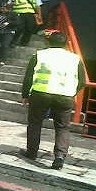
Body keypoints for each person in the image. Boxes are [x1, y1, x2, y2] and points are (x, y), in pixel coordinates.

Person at [21, 31, 86, 170]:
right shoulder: (75, 58)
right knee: (63, 127)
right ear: (66, 44)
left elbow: (28, 77)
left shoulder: (39, 55)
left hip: (40, 94)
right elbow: (82, 81)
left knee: (35, 123)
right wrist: (71, 92)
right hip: (64, 96)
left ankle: (32, 152)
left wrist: (25, 95)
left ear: (48, 42)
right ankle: (59, 157)